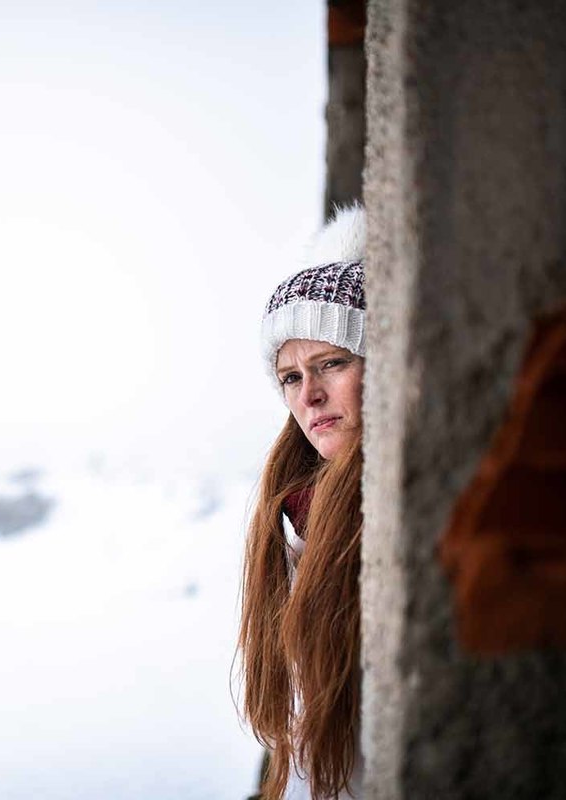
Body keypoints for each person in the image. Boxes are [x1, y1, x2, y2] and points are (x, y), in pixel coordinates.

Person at [237, 204, 366, 800]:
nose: (310, 396)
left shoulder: (395, 509)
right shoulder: (292, 514)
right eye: (290, 377)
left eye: (331, 364)